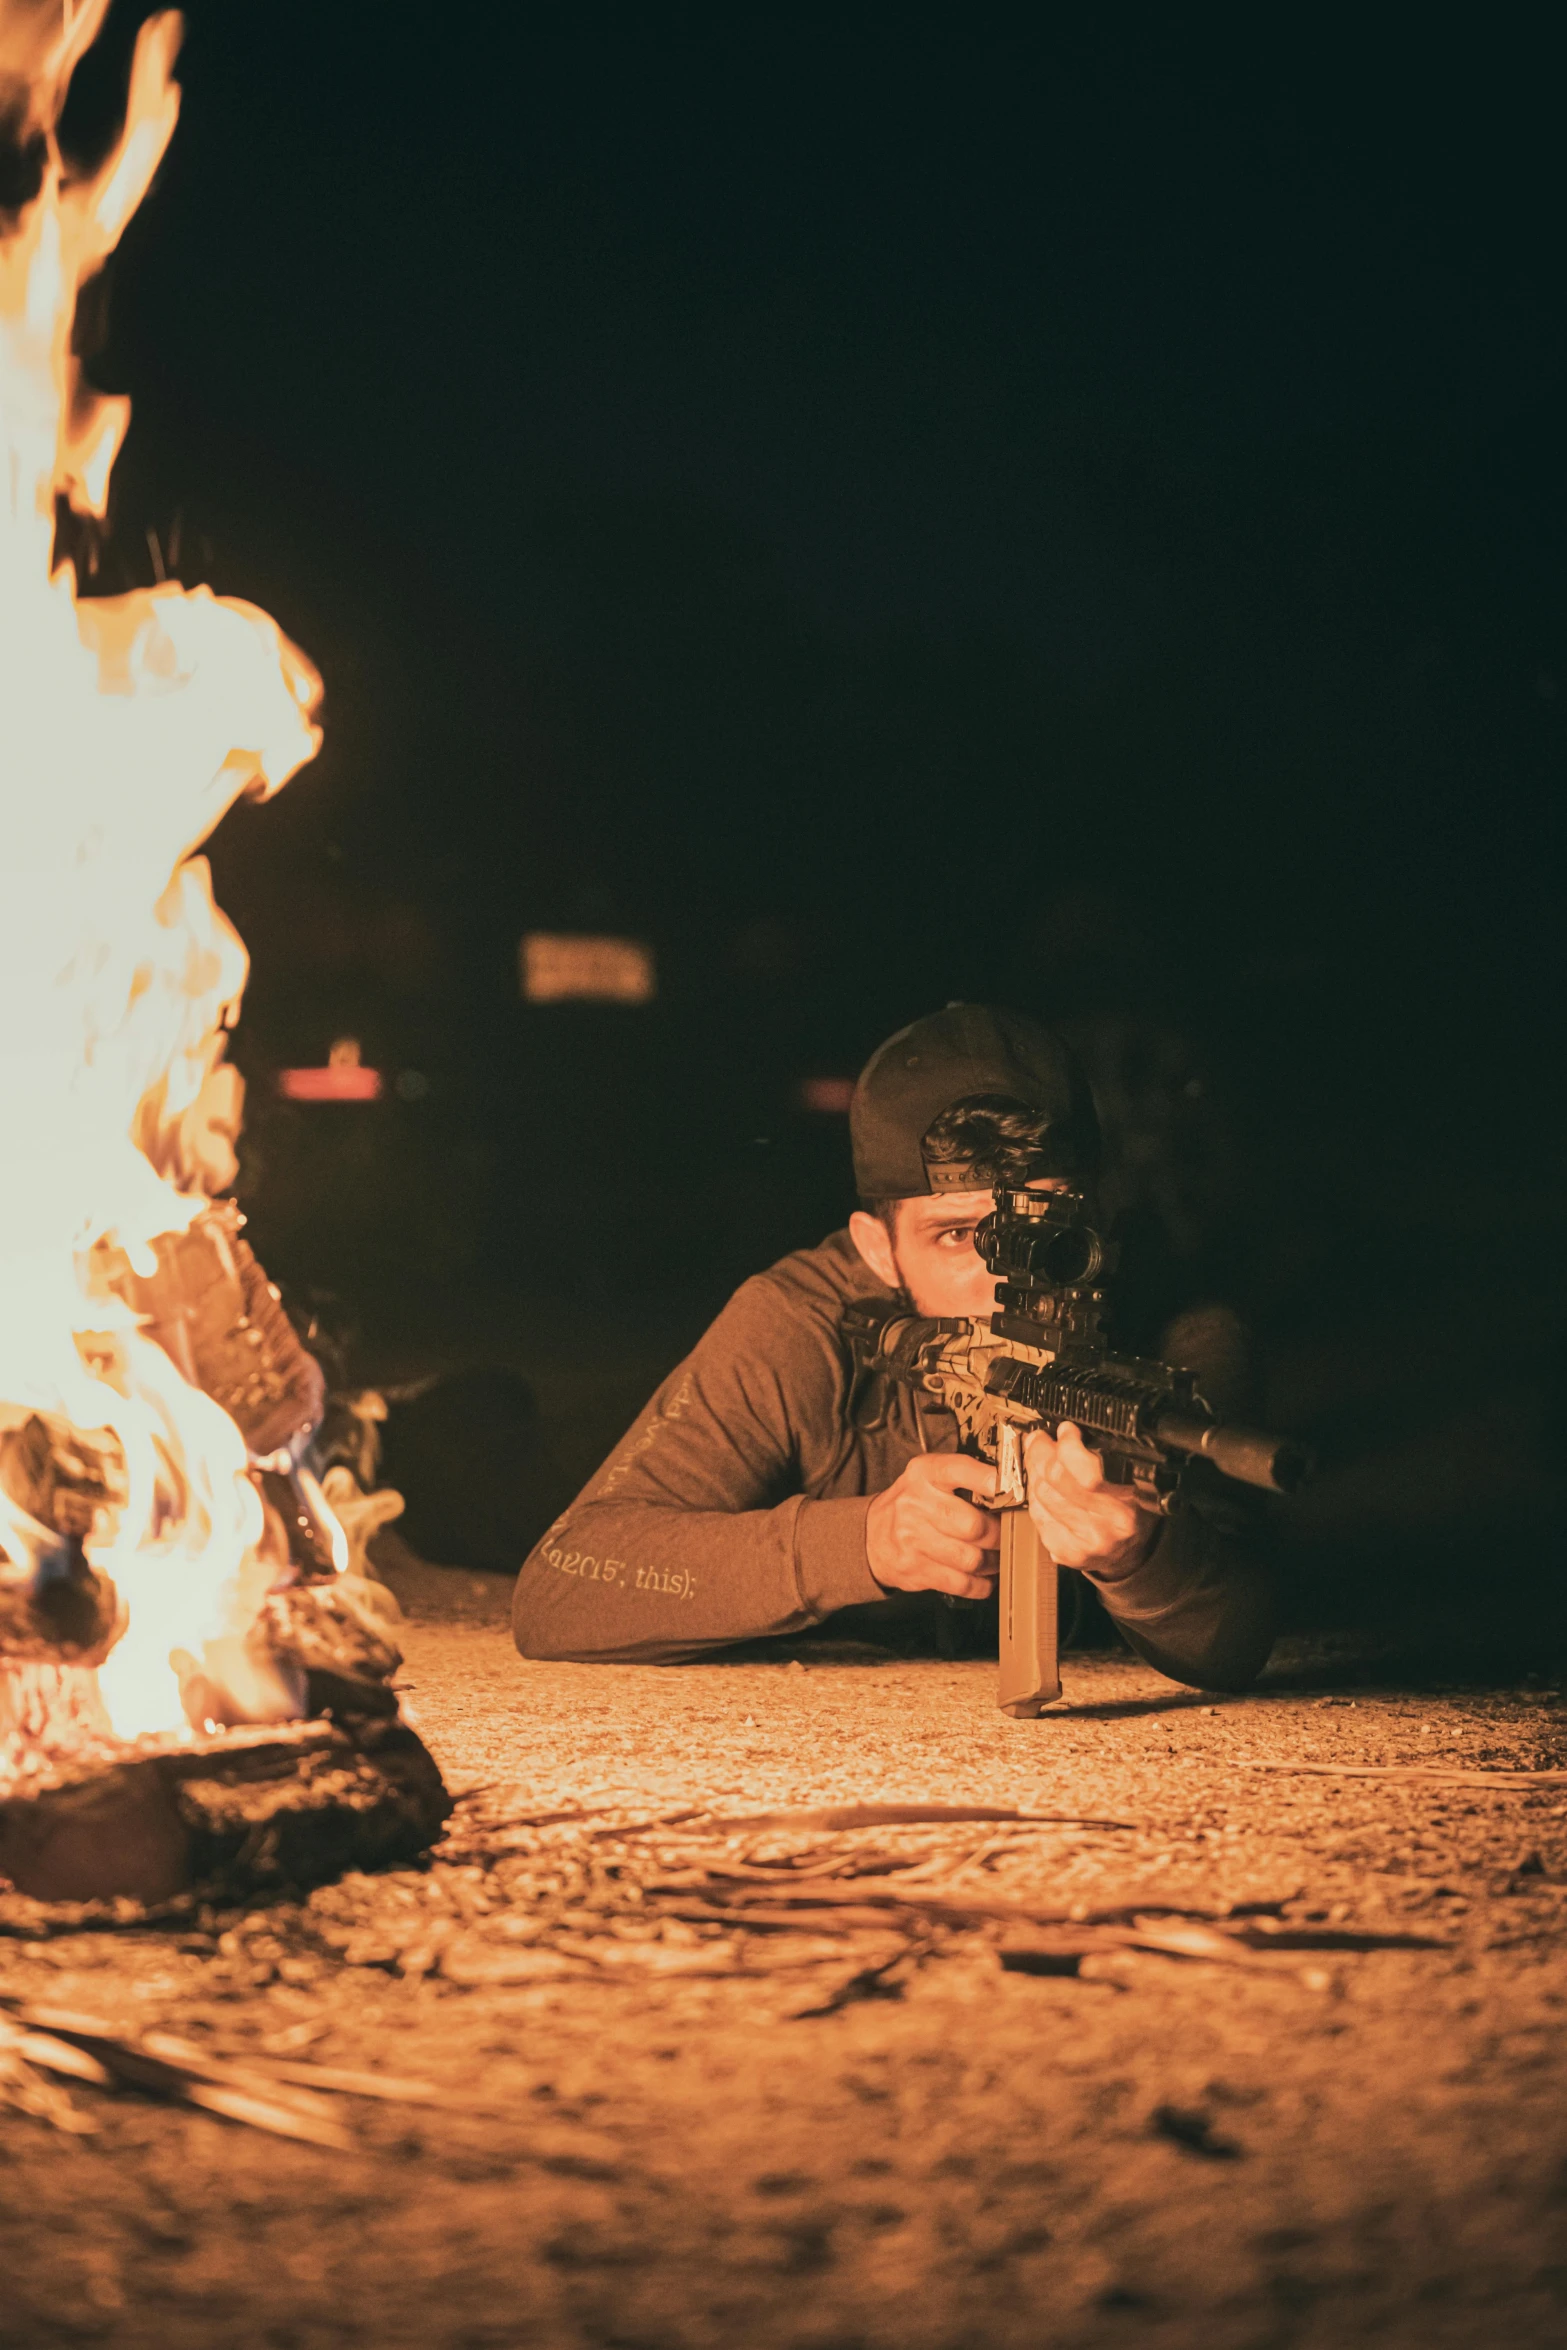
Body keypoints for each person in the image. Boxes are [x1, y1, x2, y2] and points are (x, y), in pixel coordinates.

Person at [511, 1005, 1275, 1688]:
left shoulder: (1175, 1342)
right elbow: (560, 1589)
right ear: (877, 1251)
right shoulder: (799, 1320)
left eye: (1046, 1233)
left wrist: (1141, 1562)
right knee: (495, 1475)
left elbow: (1237, 1633)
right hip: (632, 1473)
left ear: (1102, 1223)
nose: (1001, 1282)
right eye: (954, 1236)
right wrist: (861, 1542)